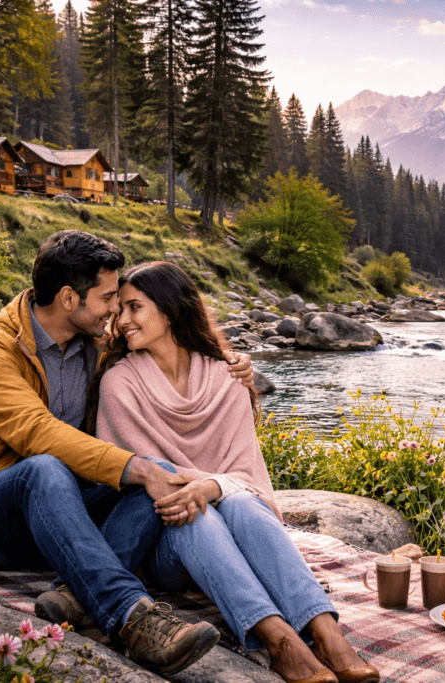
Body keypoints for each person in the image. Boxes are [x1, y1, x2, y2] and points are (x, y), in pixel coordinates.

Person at [0, 230, 254, 677]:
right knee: (48, 469)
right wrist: (133, 466)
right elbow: (36, 433)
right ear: (70, 298)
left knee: (160, 474)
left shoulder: (97, 344)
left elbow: (169, 354)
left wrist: (229, 364)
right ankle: (130, 617)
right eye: (109, 296)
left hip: (58, 516)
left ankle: (71, 596)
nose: (117, 308)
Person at [87, 261, 380, 683]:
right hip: (167, 543)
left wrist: (211, 485)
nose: (123, 321)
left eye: (135, 307)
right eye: (120, 311)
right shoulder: (120, 383)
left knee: (239, 501)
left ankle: (326, 632)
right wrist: (206, 489)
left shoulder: (226, 375)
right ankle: (279, 641)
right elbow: (154, 479)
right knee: (193, 511)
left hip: (234, 524)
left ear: (169, 311)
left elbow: (246, 474)